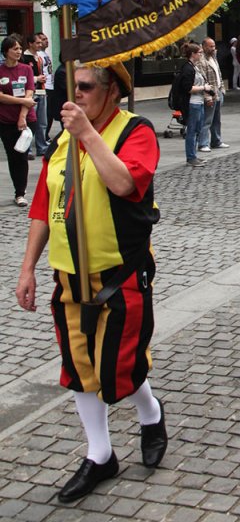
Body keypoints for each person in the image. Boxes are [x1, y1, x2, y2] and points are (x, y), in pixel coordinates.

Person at [15, 61, 167, 502]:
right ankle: (100, 455)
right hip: (69, 273)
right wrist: (27, 268)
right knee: (79, 368)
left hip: (120, 272)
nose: (75, 94)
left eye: (84, 86)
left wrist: (86, 134)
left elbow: (124, 183)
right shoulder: (62, 138)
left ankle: (151, 414)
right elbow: (44, 206)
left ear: (112, 91)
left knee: (116, 363)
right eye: (71, 86)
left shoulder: (135, 131)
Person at [0, 36, 36, 206]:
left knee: (21, 155)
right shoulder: (1, 71)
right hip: (5, 121)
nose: (18, 52)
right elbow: (0, 97)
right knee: (12, 156)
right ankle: (19, 186)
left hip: (26, 120)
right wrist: (22, 101)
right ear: (6, 51)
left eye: (20, 48)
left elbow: (29, 92)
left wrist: (22, 116)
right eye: (14, 49)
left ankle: (20, 193)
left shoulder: (26, 69)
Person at [178, 42, 211, 167]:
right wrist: (204, 87)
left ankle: (194, 156)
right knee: (192, 130)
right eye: (199, 53)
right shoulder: (188, 68)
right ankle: (191, 157)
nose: (201, 55)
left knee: (197, 129)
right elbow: (188, 88)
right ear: (193, 54)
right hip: (192, 103)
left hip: (199, 102)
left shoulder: (195, 66)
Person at [198, 37, 228, 152]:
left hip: (218, 91)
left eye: (214, 46)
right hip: (210, 93)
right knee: (207, 119)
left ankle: (216, 140)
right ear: (204, 46)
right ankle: (203, 143)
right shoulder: (202, 60)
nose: (213, 48)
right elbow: (203, 80)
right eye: (210, 46)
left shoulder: (213, 58)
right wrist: (208, 96)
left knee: (217, 119)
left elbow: (218, 74)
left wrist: (223, 89)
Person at [22, 33, 48, 156]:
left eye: (40, 42)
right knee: (31, 121)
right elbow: (24, 78)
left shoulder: (39, 57)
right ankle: (27, 149)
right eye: (37, 43)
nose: (40, 44)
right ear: (30, 44)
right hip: (32, 92)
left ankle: (41, 146)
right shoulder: (25, 58)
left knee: (42, 122)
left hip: (42, 91)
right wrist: (37, 78)